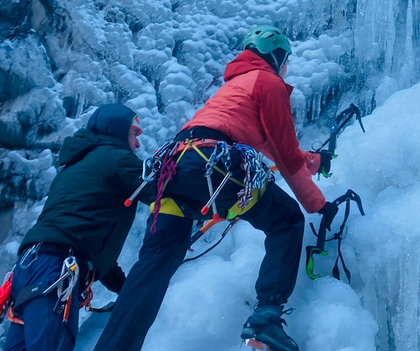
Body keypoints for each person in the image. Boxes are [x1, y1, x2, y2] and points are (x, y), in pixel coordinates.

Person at [94, 25, 337, 351]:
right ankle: (265, 319)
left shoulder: (232, 90)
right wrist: (319, 204)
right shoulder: (268, 82)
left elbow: (274, 149)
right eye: (286, 61)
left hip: (174, 169)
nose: (286, 68)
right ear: (278, 57)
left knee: (152, 268)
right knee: (286, 220)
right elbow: (286, 155)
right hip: (214, 164)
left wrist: (316, 162)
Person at [4, 104, 148, 351]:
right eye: (134, 133)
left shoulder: (75, 166)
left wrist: (125, 289)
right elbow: (163, 191)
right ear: (117, 129)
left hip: (29, 268)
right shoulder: (116, 158)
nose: (137, 144)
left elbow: (89, 243)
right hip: (56, 268)